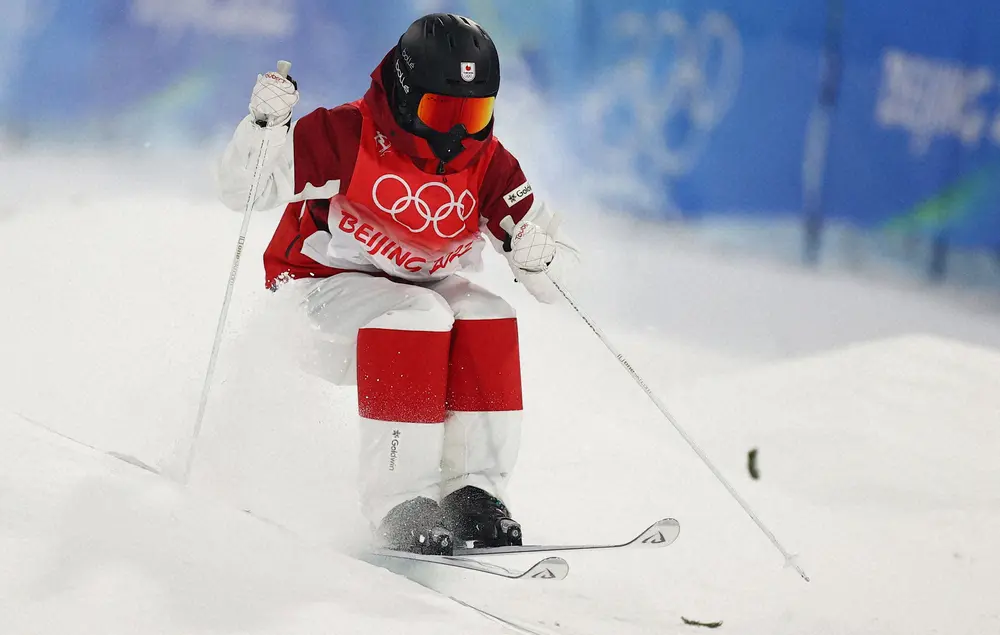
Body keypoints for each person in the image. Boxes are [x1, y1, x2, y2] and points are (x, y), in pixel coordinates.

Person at [216, 13, 578, 555]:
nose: (458, 132)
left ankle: (472, 492)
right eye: (443, 110)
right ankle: (400, 502)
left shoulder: (488, 165)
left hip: (410, 307)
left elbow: (557, 283)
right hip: (315, 300)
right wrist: (262, 128)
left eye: (474, 112)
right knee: (421, 313)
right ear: (408, 97)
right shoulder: (347, 135)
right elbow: (244, 190)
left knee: (487, 313)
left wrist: (538, 261)